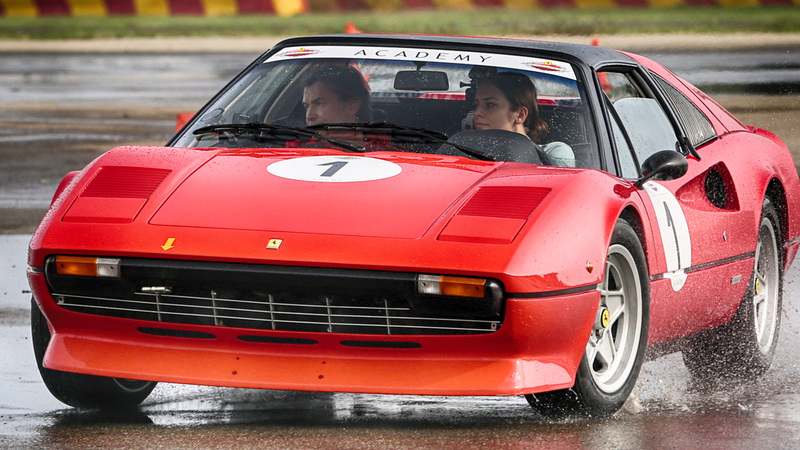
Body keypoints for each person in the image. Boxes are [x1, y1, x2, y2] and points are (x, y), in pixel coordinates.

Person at [472, 72, 575, 167]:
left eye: (490, 104)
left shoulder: (553, 153)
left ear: (520, 115)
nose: (477, 113)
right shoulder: (463, 151)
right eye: (476, 105)